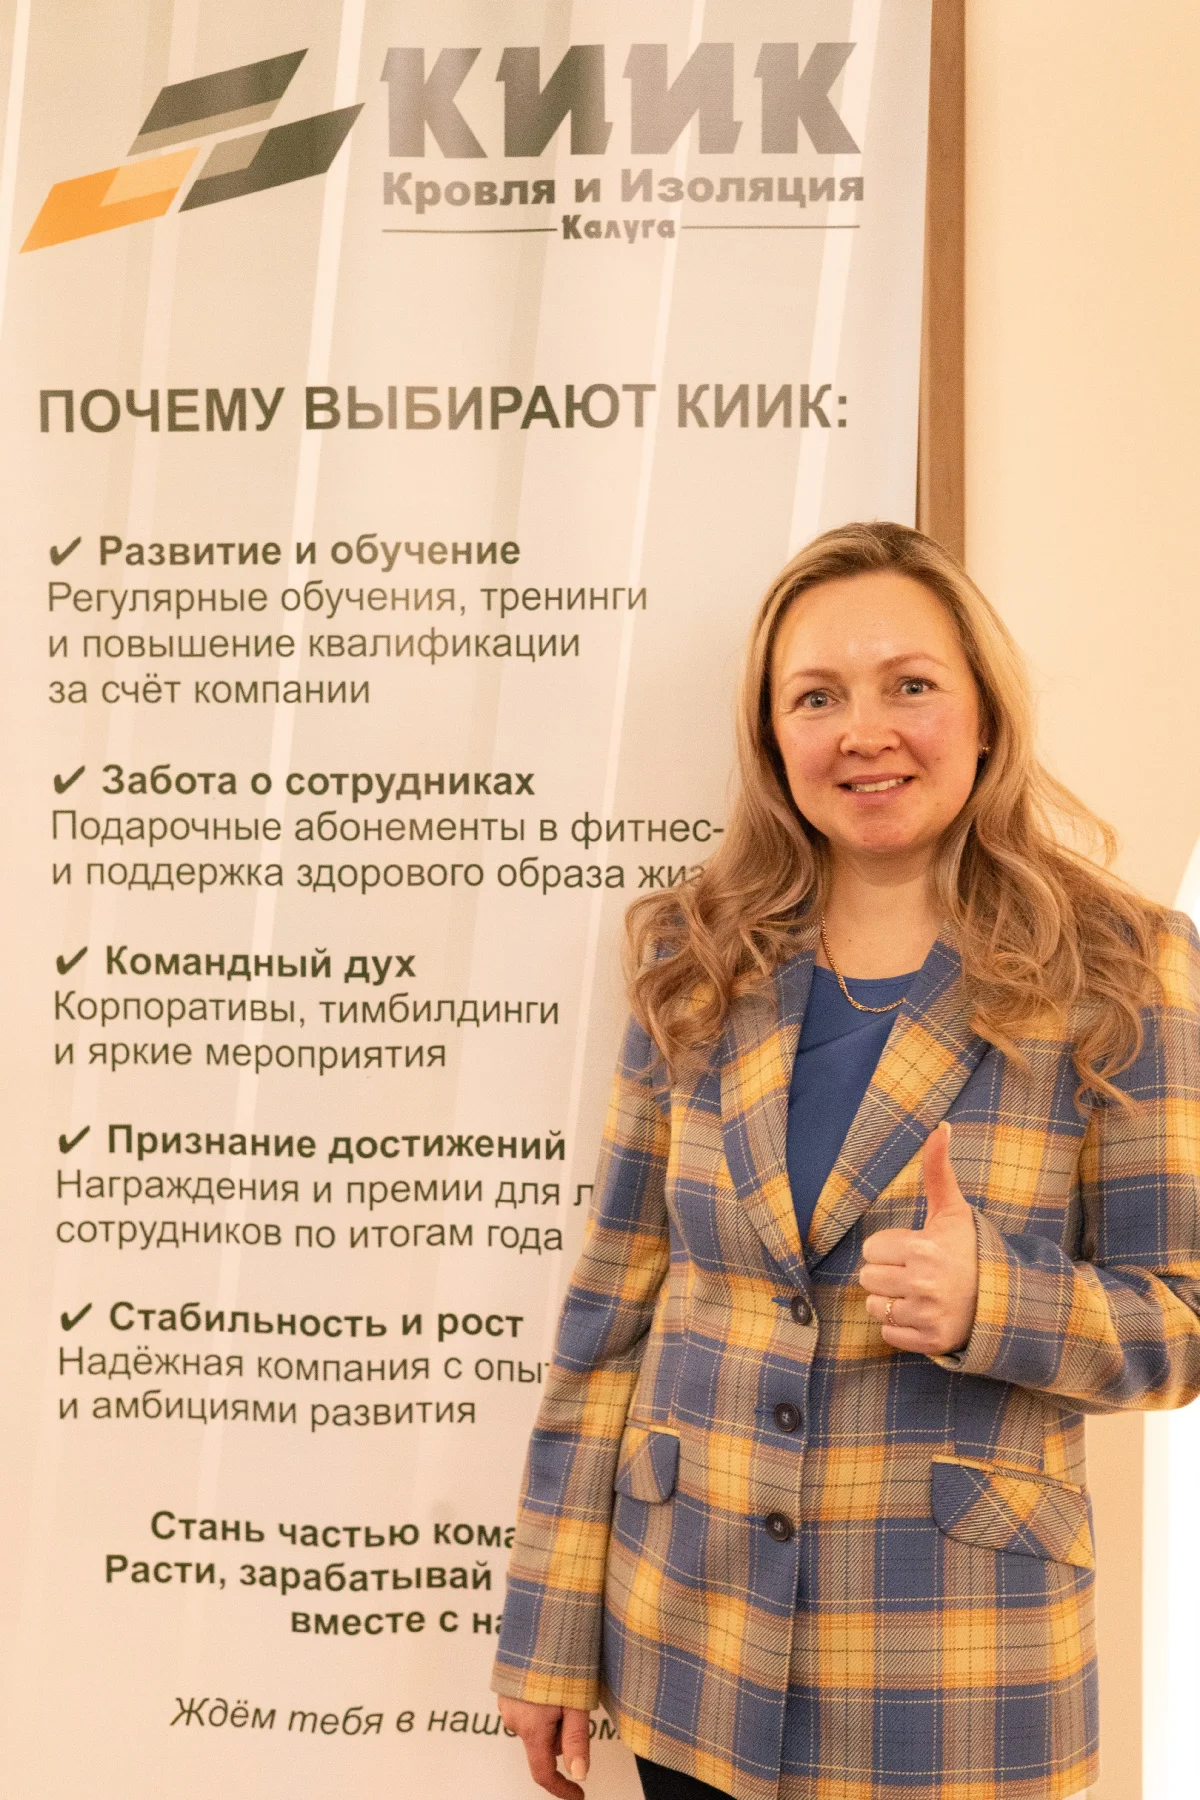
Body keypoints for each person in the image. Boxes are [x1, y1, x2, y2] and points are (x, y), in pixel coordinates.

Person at [491, 521, 1200, 1800]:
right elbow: (611, 1314)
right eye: (816, 697)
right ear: (774, 739)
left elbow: (1184, 1322)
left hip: (954, 1680)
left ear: (984, 714)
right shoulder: (696, 955)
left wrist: (997, 1300)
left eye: (909, 685)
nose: (863, 732)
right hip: (688, 1646)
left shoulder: (1122, 966)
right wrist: (546, 1627)